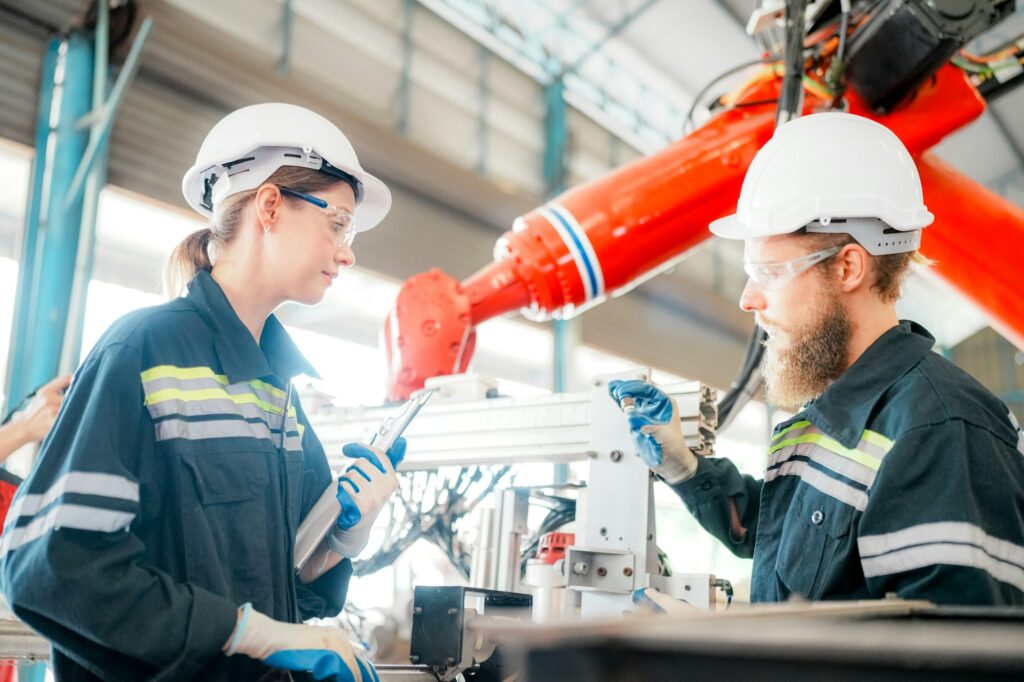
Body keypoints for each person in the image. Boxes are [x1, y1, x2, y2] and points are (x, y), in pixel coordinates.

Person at [0, 103, 402, 681]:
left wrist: (339, 538)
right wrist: (248, 633)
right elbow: (55, 568)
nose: (348, 251)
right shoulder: (142, 351)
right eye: (337, 222)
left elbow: (292, 599)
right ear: (269, 206)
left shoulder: (276, 394)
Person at [610, 112, 1024, 606]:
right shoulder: (831, 415)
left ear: (849, 266)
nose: (748, 298)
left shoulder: (942, 431)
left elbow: (957, 660)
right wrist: (683, 465)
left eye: (769, 271)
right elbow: (783, 534)